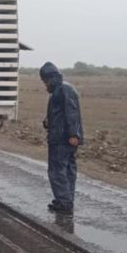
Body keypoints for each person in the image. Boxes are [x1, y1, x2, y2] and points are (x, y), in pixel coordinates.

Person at [40, 62, 83, 214]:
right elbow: (59, 113)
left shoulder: (63, 90)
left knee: (58, 171)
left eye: (45, 82)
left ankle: (64, 203)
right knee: (68, 170)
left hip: (62, 138)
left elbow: (71, 113)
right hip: (63, 137)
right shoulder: (61, 90)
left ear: (51, 78)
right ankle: (65, 200)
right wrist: (47, 121)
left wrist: (73, 134)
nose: (45, 86)